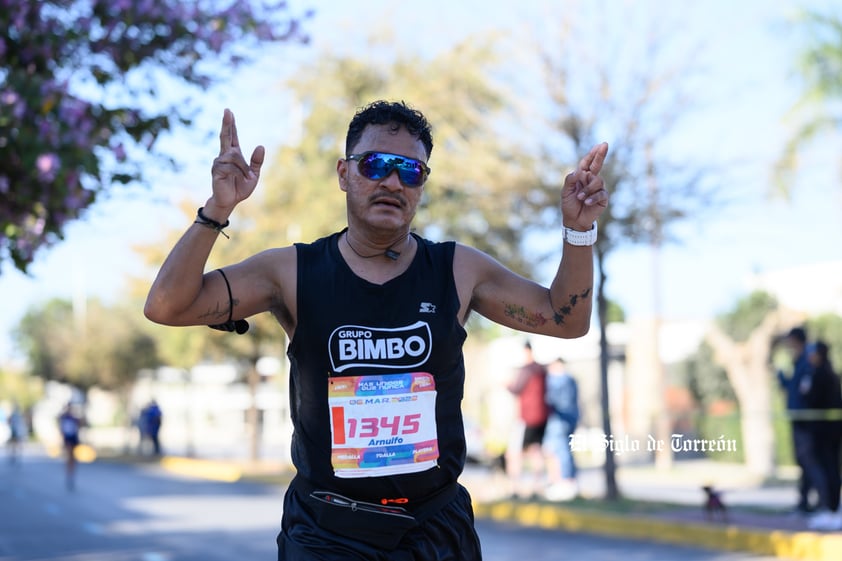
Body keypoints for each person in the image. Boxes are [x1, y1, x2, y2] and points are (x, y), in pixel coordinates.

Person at [144, 100, 609, 559]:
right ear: (344, 174)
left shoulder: (457, 269)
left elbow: (566, 321)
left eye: (411, 171)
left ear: (422, 186)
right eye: (376, 164)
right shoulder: (291, 271)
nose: (392, 181)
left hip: (435, 528)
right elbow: (166, 306)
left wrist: (578, 231)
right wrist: (217, 209)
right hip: (328, 531)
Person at [777, 326, 820, 514]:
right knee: (803, 461)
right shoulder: (796, 361)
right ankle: (805, 501)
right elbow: (794, 389)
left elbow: (808, 390)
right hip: (797, 417)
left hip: (807, 420)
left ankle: (822, 501)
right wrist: (781, 377)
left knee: (810, 460)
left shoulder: (808, 360)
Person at [803, 341, 842, 531]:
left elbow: (811, 399)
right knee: (831, 469)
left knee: (827, 470)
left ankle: (831, 509)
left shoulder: (819, 374)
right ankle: (832, 509)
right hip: (831, 431)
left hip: (824, 432)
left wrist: (806, 389)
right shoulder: (831, 373)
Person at [505, 341, 550, 499]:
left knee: (514, 453)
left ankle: (514, 488)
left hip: (526, 417)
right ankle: (537, 486)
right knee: (535, 451)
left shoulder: (527, 369)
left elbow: (515, 388)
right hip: (542, 416)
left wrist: (506, 384)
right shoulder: (542, 370)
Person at [542, 356, 580, 501]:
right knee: (561, 450)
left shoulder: (559, 380)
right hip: (567, 418)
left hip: (559, 419)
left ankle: (565, 482)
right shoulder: (570, 380)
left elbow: (555, 400)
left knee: (560, 450)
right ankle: (563, 481)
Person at [58, 402, 82, 491]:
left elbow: (79, 425)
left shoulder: (74, 417)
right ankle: (69, 474)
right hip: (67, 438)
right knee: (68, 457)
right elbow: (61, 427)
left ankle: (71, 474)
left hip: (73, 438)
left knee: (73, 458)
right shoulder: (64, 417)